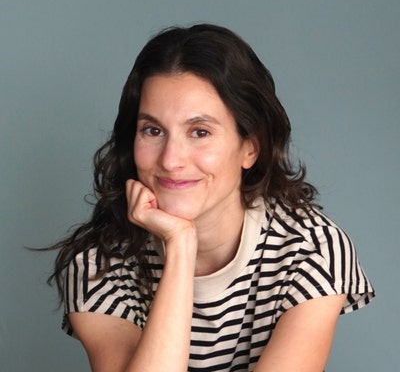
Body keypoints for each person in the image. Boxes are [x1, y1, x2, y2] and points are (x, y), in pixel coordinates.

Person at [50, 23, 374, 371]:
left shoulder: (311, 249)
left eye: (200, 132)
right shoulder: (99, 266)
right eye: (153, 130)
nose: (171, 160)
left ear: (250, 148)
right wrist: (180, 247)